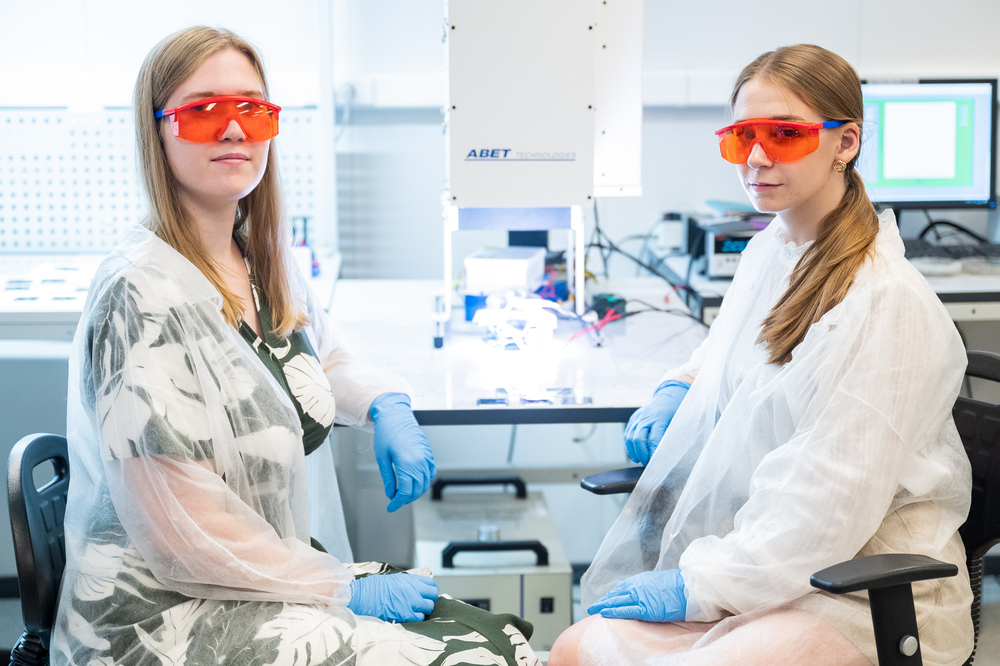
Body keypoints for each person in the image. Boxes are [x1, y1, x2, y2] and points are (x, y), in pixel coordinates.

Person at [51, 26, 539, 666]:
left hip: (258, 580)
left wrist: (386, 405)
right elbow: (183, 537)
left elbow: (319, 361)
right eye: (204, 110)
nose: (234, 129)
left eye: (252, 109)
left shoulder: (254, 255)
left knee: (501, 637)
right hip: (164, 616)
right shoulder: (141, 296)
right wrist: (339, 588)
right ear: (157, 130)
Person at [549, 44, 974, 666]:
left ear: (845, 142)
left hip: (860, 591)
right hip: (764, 565)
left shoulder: (886, 302)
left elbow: (830, 503)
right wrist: (679, 388)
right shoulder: (773, 250)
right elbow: (730, 351)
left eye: (784, 135)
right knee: (574, 648)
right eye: (742, 136)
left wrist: (701, 586)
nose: (755, 157)